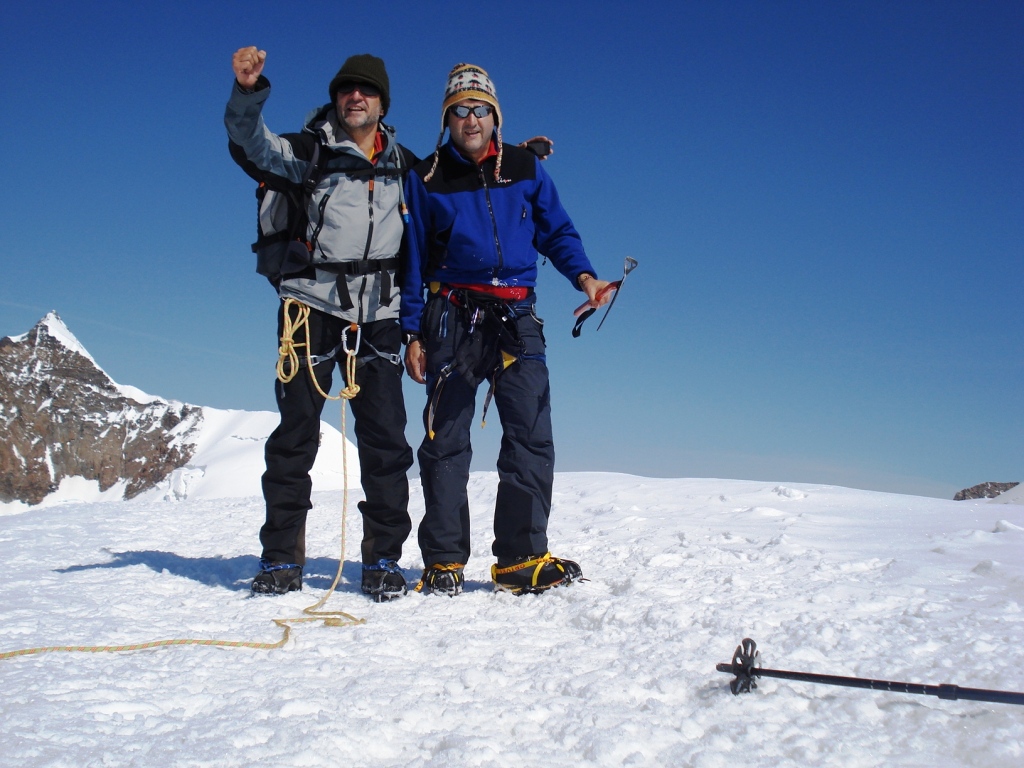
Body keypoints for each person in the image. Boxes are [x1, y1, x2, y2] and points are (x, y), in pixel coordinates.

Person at [401, 63, 612, 597]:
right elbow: (412, 260)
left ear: (494, 116)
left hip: (517, 314)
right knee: (445, 438)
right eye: (459, 110)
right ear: (447, 118)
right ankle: (444, 560)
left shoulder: (523, 167)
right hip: (451, 314)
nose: (470, 119)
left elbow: (556, 230)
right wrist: (413, 334)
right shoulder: (426, 178)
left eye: (480, 109)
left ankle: (520, 559)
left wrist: (584, 278)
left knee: (530, 433)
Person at [226, 47, 416, 600]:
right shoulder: (308, 151)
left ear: (382, 102)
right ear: (336, 99)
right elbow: (251, 144)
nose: (354, 96)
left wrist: (515, 157)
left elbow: (455, 185)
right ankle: (282, 559)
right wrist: (246, 92)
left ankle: (382, 559)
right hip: (309, 308)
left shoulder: (406, 164)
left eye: (366, 89)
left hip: (378, 314)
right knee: (295, 437)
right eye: (345, 89)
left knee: (385, 444)